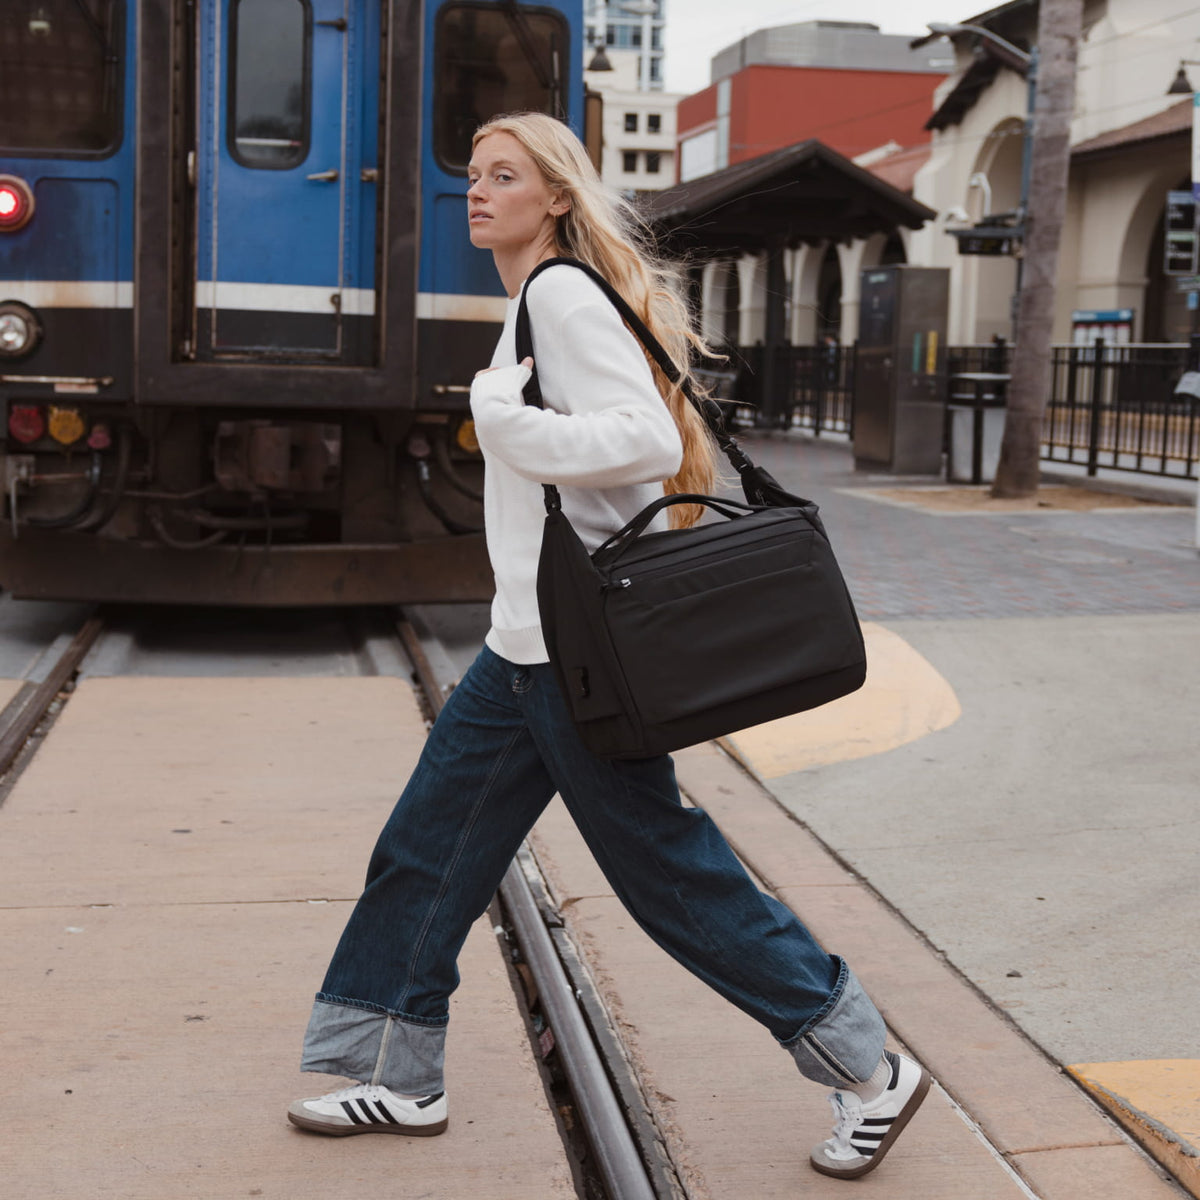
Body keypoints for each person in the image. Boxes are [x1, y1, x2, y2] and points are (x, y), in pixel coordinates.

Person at [287, 111, 930, 1181]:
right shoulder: (539, 296)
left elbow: (637, 441)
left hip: (575, 655)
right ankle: (399, 1072)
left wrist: (502, 422)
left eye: (506, 176)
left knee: (669, 877)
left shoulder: (559, 294)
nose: (479, 192)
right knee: (428, 848)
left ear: (555, 197)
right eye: (475, 173)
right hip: (526, 646)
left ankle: (867, 1068)